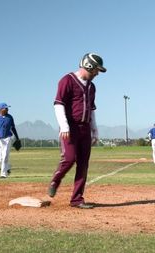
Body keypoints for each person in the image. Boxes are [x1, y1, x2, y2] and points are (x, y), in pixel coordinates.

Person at [47, 53, 107, 209]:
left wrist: (94, 130)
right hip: (70, 127)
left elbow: (92, 110)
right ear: (88, 66)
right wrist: (64, 126)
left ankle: (77, 199)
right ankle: (56, 180)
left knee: (83, 164)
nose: (97, 74)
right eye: (96, 70)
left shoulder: (91, 87)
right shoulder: (67, 80)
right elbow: (58, 104)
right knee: (69, 158)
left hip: (85, 128)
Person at [0, 102, 20, 179]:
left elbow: (13, 128)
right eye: (5, 108)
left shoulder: (10, 117)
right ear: (0, 109)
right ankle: (7, 167)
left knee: (5, 156)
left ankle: (3, 174)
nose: (7, 109)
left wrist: (17, 138)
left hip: (7, 138)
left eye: (7, 108)